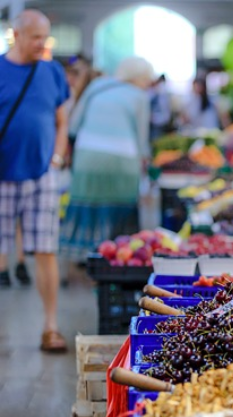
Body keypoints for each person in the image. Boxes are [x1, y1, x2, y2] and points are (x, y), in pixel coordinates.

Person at [0, 9, 70, 352]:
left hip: (42, 174)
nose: (42, 44)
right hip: (2, 176)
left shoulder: (52, 72)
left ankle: (51, 327)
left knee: (45, 249)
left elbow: (61, 121)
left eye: (45, 36)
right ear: (17, 35)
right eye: (35, 37)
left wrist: (56, 158)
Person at [59, 57, 153, 263]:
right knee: (121, 210)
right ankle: (118, 257)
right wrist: (146, 164)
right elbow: (141, 138)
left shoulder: (97, 86)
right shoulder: (140, 97)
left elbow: (74, 125)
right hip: (123, 160)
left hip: (87, 157)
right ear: (139, 78)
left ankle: (83, 256)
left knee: (87, 204)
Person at [150, 74, 172, 140]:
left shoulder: (160, 90)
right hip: (159, 119)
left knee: (157, 138)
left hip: (158, 120)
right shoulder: (163, 90)